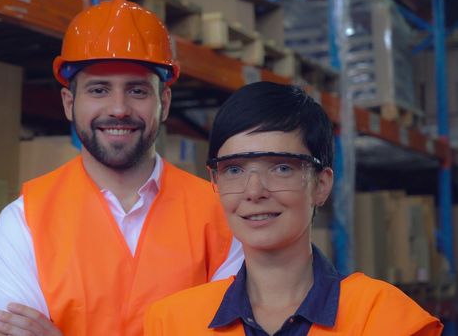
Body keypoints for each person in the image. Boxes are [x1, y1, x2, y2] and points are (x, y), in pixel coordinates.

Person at [0, 0, 243, 336]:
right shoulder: (25, 220)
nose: (118, 108)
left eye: (137, 90)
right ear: (69, 103)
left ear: (164, 103)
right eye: (99, 89)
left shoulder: (221, 216)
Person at [144, 82, 443, 335]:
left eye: (281, 168)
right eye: (234, 170)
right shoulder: (173, 323)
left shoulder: (383, 320)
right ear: (215, 181)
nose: (254, 191)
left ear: (321, 184)